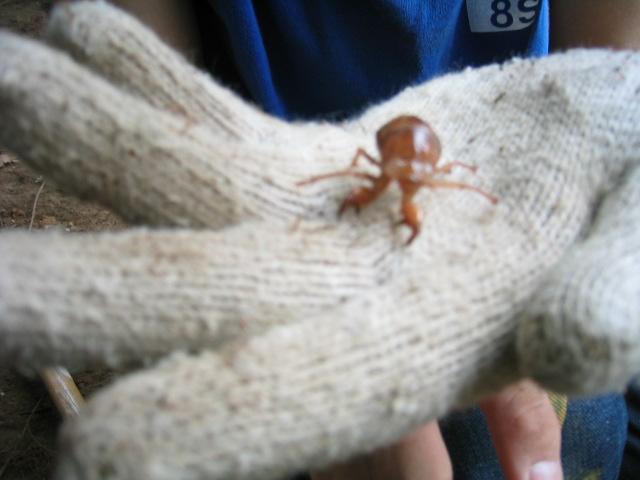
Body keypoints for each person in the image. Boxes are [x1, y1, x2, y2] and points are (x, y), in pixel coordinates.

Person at [77, 1, 640, 479]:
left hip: (491, 158)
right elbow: (165, 119)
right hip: (276, 158)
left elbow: (605, 66)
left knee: (582, 412)